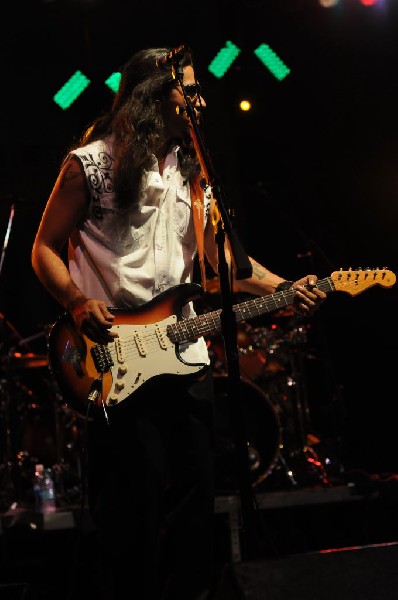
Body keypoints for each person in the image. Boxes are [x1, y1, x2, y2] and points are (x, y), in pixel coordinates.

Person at [31, 46, 326, 600]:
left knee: (196, 505)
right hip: (115, 356)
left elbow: (223, 271)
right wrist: (74, 301)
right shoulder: (90, 163)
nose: (199, 99)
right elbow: (43, 248)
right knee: (132, 511)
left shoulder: (192, 175)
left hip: (184, 354)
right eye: (185, 90)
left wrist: (288, 289)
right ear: (149, 98)